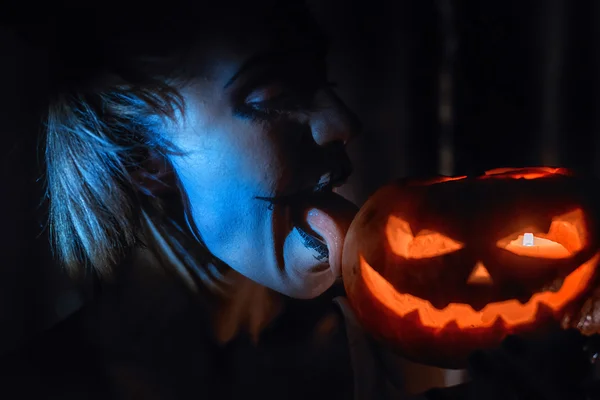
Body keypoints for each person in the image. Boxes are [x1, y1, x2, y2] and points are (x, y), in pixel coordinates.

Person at [1, 1, 598, 399]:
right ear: (142, 159)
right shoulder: (48, 386)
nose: (342, 122)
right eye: (277, 95)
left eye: (326, 85)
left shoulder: (396, 340)